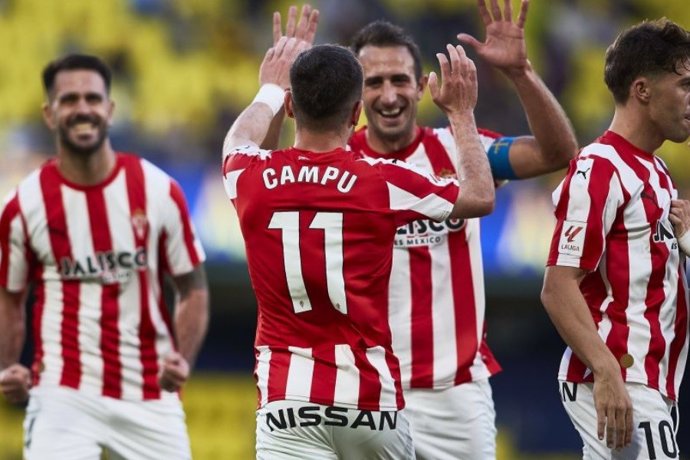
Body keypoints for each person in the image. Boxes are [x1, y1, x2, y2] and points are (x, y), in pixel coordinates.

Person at [221, 5, 496, 458]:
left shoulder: (250, 174)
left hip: (287, 403)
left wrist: (270, 86)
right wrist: (462, 114)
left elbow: (239, 139)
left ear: (292, 106)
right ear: (355, 113)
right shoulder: (381, 180)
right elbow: (480, 197)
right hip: (370, 404)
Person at [345, 0, 578, 458]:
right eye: (374, 82)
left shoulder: (461, 148)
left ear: (421, 86)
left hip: (454, 395)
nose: (389, 95)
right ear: (356, 92)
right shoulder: (340, 164)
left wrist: (521, 73)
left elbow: (557, 153)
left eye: (399, 81)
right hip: (365, 389)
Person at [0, 54, 209, 459]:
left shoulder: (158, 190)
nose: (83, 109)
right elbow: (10, 295)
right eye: (70, 99)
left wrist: (182, 359)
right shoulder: (24, 205)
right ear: (49, 113)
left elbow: (193, 287)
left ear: (110, 110)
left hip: (150, 393)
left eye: (93, 99)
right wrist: (8, 363)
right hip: (63, 393)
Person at [541, 18, 690, 458]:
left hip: (652, 383)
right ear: (643, 90)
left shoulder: (658, 173)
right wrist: (606, 372)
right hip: (620, 378)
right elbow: (557, 286)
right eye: (684, 85)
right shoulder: (600, 167)